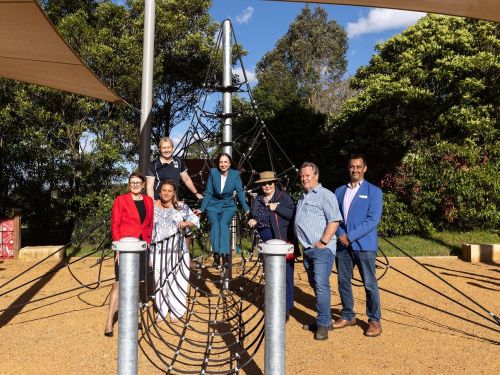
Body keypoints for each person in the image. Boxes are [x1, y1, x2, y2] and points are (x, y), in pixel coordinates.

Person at [334, 154, 383, 337]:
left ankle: (374, 320)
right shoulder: (339, 191)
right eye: (352, 167)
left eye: (358, 166)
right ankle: (348, 315)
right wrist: (341, 235)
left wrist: (351, 236)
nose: (355, 170)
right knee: (343, 281)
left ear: (365, 168)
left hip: (364, 246)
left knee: (369, 284)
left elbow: (373, 220)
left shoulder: (374, 192)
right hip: (343, 246)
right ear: (348, 168)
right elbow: (334, 217)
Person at [294, 162, 342, 341]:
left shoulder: (325, 195)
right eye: (302, 176)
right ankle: (326, 319)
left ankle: (322, 324)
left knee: (321, 285)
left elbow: (335, 220)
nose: (304, 179)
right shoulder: (302, 196)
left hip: (322, 249)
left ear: (316, 176)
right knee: (316, 285)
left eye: (307, 175)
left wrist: (323, 241)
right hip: (308, 249)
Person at [104, 172, 154, 337]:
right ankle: (109, 321)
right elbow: (115, 224)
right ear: (128, 184)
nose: (135, 185)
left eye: (138, 182)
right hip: (124, 246)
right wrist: (117, 248)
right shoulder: (121, 200)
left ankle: (133, 317)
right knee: (119, 282)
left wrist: (148, 243)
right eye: (132, 182)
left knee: (138, 283)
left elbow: (149, 224)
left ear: (143, 184)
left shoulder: (148, 201)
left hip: (141, 246)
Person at [248, 171, 297, 321]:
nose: (267, 186)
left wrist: (277, 208)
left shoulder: (283, 197)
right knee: (269, 275)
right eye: (264, 184)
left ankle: (286, 307)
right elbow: (253, 216)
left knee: (286, 274)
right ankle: (274, 304)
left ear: (274, 183)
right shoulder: (258, 200)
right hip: (264, 242)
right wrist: (252, 221)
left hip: (282, 240)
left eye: (269, 183)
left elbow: (293, 214)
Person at [151, 180, 200, 322]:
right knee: (159, 281)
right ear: (160, 192)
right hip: (158, 251)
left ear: (173, 193)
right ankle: (161, 309)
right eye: (164, 190)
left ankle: (176, 310)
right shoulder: (152, 206)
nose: (166, 193)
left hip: (178, 251)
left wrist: (186, 223)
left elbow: (195, 220)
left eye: (169, 191)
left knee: (178, 280)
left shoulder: (181, 207)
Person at [200, 153, 250, 269]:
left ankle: (225, 255)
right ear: (218, 164)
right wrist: (202, 209)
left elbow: (240, 192)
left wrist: (247, 209)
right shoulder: (213, 172)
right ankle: (216, 255)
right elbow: (208, 192)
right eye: (221, 162)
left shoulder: (235, 174)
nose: (223, 164)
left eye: (225, 162)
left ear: (230, 163)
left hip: (228, 206)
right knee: (215, 225)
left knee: (223, 224)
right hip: (213, 205)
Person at [146, 137, 204, 201]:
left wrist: (196, 193)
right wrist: (152, 202)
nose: (166, 150)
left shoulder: (178, 161)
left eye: (168, 147)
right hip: (158, 200)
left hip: (173, 200)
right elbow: (149, 186)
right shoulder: (153, 164)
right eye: (164, 148)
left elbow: (186, 179)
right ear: (160, 149)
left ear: (172, 148)